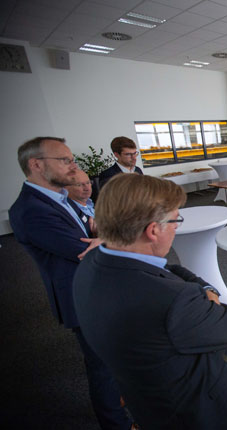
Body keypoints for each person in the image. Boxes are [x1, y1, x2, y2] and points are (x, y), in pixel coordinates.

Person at [73, 174, 227, 430]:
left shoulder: (90, 263)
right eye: (175, 220)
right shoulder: (175, 301)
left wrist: (205, 287)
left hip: (146, 402)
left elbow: (166, 268)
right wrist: (211, 295)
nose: (177, 226)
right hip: (195, 414)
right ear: (153, 230)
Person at [9, 137, 134, 430]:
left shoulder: (58, 197)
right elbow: (85, 249)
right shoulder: (31, 210)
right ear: (36, 165)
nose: (73, 166)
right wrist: (110, 237)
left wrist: (100, 234)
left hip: (96, 288)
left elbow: (93, 229)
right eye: (65, 160)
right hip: (82, 298)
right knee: (101, 366)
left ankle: (120, 397)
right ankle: (116, 424)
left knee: (113, 356)